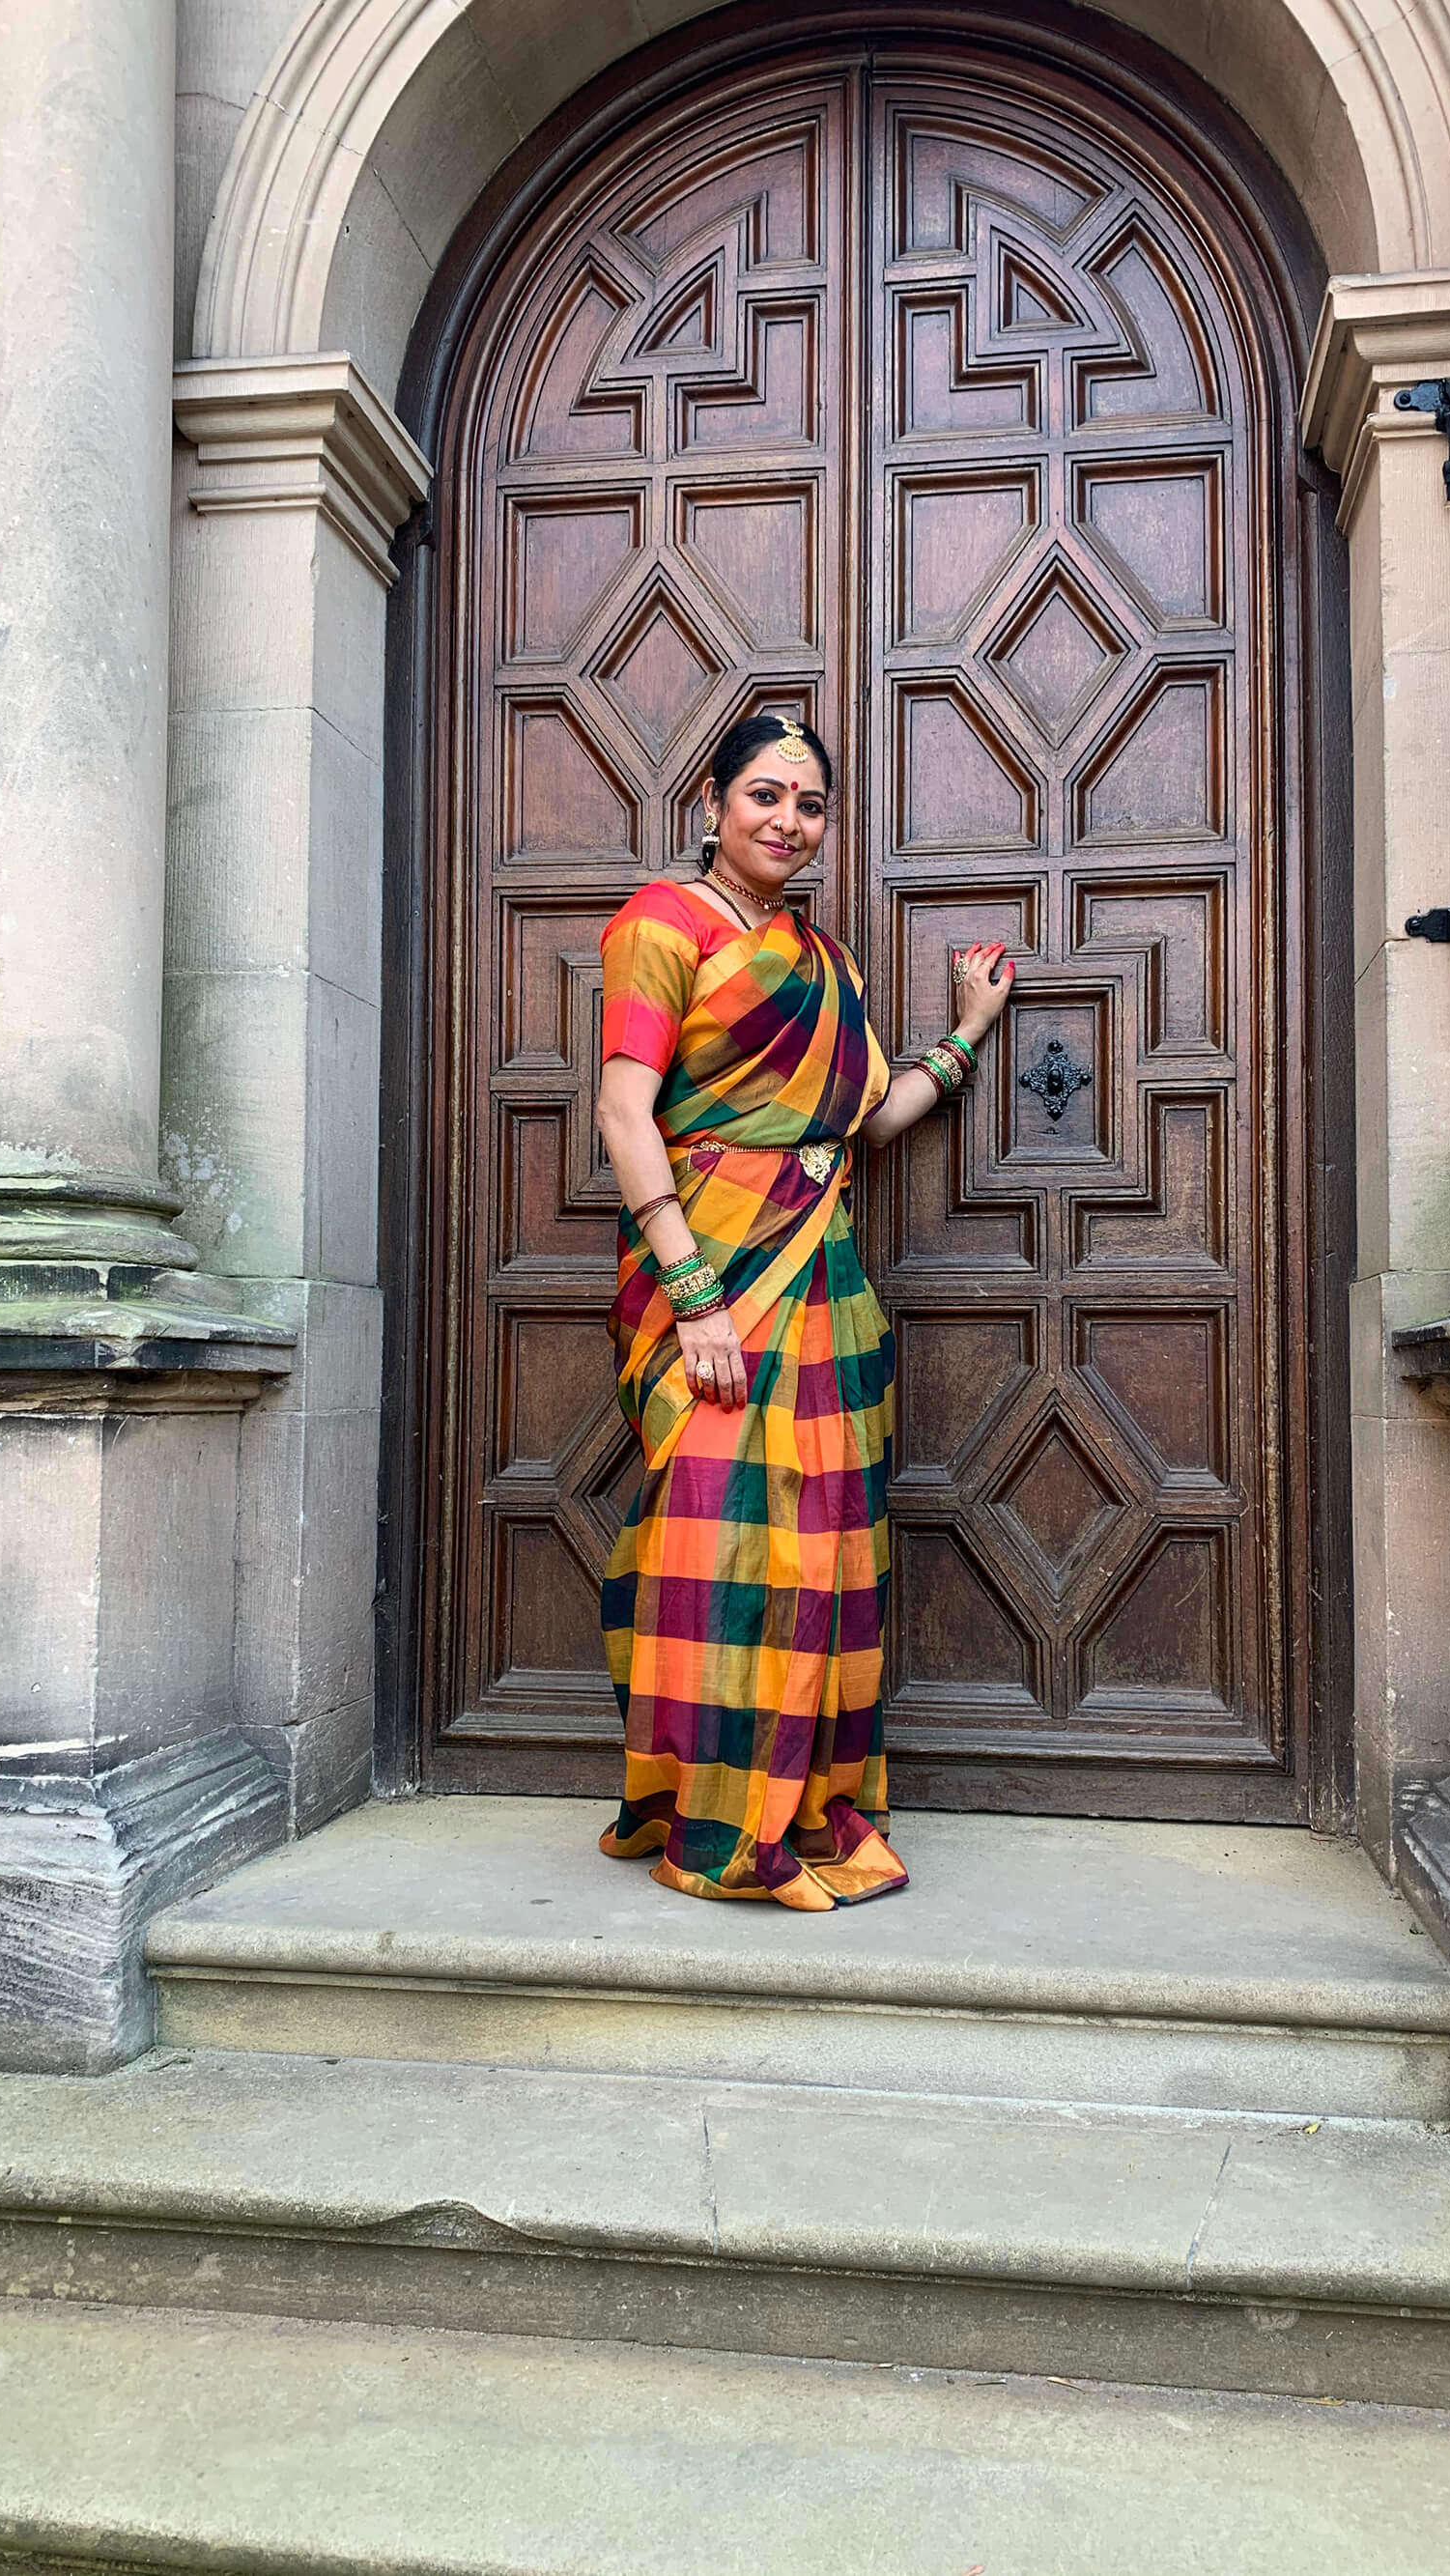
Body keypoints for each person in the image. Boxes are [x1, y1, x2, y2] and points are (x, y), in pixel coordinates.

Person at [595, 711, 1014, 1910]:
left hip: (820, 1285)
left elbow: (862, 1125)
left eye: (809, 804)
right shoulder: (658, 925)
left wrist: (966, 1038)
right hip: (711, 1282)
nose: (787, 821)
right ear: (714, 800)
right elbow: (625, 1114)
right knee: (718, 1543)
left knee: (819, 1549)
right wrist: (693, 1298)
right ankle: (715, 1821)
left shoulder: (824, 965)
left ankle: (797, 1804)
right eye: (765, 795)